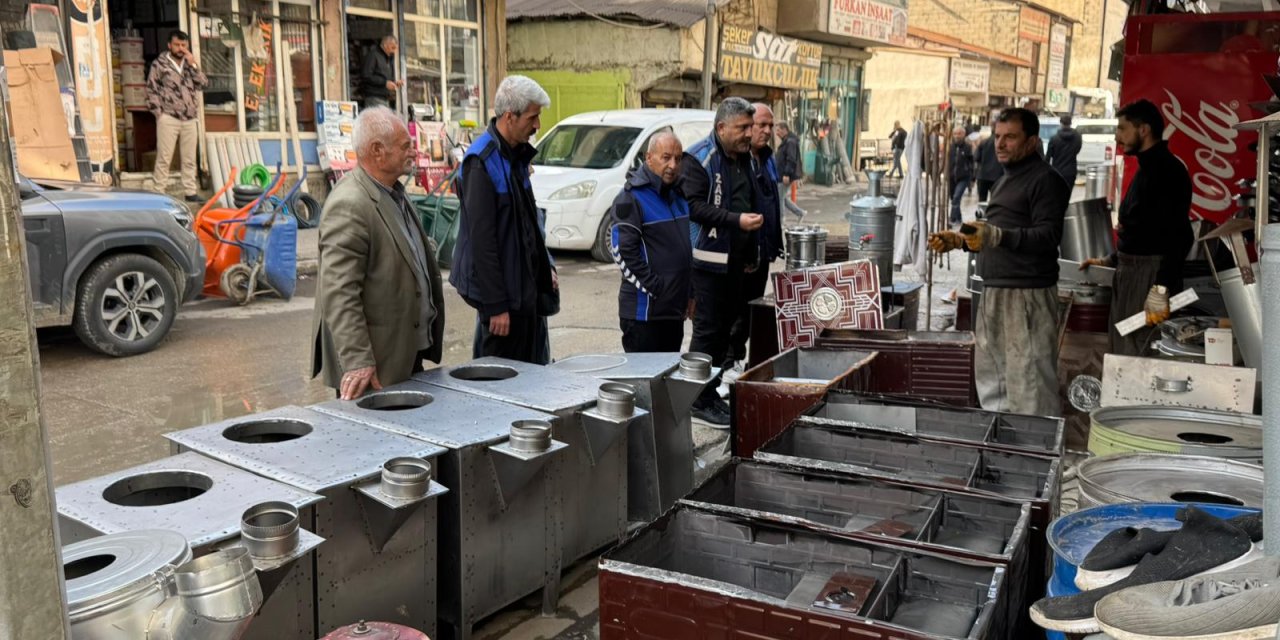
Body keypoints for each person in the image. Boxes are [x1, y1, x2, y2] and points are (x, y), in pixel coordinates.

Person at [928, 108, 1068, 416]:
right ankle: (1005, 454)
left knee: (1029, 391)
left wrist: (997, 236)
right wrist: (960, 239)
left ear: (1031, 142)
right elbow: (993, 233)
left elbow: (1047, 235)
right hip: (994, 293)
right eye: (998, 137)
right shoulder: (1006, 180)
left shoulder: (1046, 180)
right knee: (994, 386)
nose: (1000, 145)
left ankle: (1036, 456)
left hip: (1026, 298)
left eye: (1010, 138)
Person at [311, 107, 446, 400]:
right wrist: (358, 360)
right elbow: (339, 292)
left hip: (403, 353)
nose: (414, 151)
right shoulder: (350, 204)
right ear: (377, 151)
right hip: (375, 367)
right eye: (405, 146)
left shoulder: (392, 191)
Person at [452, 75, 558, 365]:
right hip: (503, 308)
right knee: (500, 388)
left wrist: (545, 265)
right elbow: (482, 243)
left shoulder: (516, 157)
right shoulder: (480, 162)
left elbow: (529, 222)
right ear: (510, 117)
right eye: (533, 117)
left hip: (526, 296)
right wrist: (496, 305)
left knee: (535, 383)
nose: (537, 126)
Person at [1080, 99, 1193, 355]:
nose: (1117, 136)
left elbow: (1180, 236)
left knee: (1139, 354)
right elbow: (1144, 231)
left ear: (1144, 130)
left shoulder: (1168, 171)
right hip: (1131, 273)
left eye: (1122, 128)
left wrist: (1161, 288)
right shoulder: (1145, 168)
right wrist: (1108, 260)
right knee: (1122, 350)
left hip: (1150, 277)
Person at [682, 97, 766, 427]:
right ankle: (695, 399)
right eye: (743, 128)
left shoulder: (745, 159)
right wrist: (735, 220)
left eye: (750, 126)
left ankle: (710, 391)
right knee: (707, 334)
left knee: (725, 336)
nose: (749, 134)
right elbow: (694, 207)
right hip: (707, 265)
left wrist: (752, 252)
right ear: (721, 128)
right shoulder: (700, 157)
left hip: (736, 263)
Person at [609, 132, 692, 352]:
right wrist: (658, 289)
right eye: (666, 157)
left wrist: (688, 294)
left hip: (673, 313)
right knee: (645, 384)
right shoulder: (631, 197)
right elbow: (622, 252)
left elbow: (686, 249)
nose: (672, 165)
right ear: (649, 158)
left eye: (677, 158)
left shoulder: (679, 195)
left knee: (667, 381)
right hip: (643, 315)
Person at [724, 102, 785, 370]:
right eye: (761, 125)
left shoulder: (768, 158)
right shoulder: (739, 159)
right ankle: (726, 364)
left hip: (762, 252)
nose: (766, 131)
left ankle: (737, 359)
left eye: (770, 126)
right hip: (742, 254)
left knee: (750, 311)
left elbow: (771, 205)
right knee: (733, 314)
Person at [146, 30, 207, 203]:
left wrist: (193, 64)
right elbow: (151, 89)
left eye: (183, 45)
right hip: (169, 117)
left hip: (189, 118)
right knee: (164, 157)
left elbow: (203, 84)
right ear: (169, 45)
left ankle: (190, 191)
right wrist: (159, 114)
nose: (180, 49)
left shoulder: (190, 64)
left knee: (189, 158)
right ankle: (159, 192)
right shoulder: (160, 64)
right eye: (177, 45)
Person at [775, 122, 807, 220]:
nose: (777, 133)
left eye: (778, 130)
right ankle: (800, 213)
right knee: (782, 197)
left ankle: (781, 220)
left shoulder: (790, 142)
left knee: (779, 198)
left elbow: (791, 159)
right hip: (781, 174)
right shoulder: (786, 141)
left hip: (785, 175)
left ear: (785, 129)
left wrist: (786, 174)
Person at [359, 36, 402, 109]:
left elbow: (384, 77)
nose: (394, 51)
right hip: (374, 97)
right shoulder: (373, 55)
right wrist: (385, 83)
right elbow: (366, 76)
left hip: (384, 98)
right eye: (393, 48)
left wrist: (394, 83)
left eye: (395, 49)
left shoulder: (388, 58)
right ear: (385, 45)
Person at [948, 125, 975, 225]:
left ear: (964, 134)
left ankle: (952, 219)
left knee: (956, 198)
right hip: (951, 178)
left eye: (959, 133)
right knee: (954, 200)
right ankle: (959, 219)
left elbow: (972, 163)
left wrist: (972, 179)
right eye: (955, 133)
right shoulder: (950, 147)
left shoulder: (968, 147)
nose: (957, 136)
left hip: (963, 178)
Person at [1047, 114, 1083, 187]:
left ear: (1061, 123)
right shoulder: (1077, 137)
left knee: (1057, 195)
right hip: (1071, 171)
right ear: (1070, 123)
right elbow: (1077, 150)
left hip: (1057, 171)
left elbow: (1048, 156)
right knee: (1068, 194)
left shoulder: (1054, 138)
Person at [974, 133, 1002, 202]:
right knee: (995, 199)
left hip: (983, 175)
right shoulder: (1001, 143)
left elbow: (976, 157)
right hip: (997, 176)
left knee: (982, 199)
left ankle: (982, 212)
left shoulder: (983, 142)